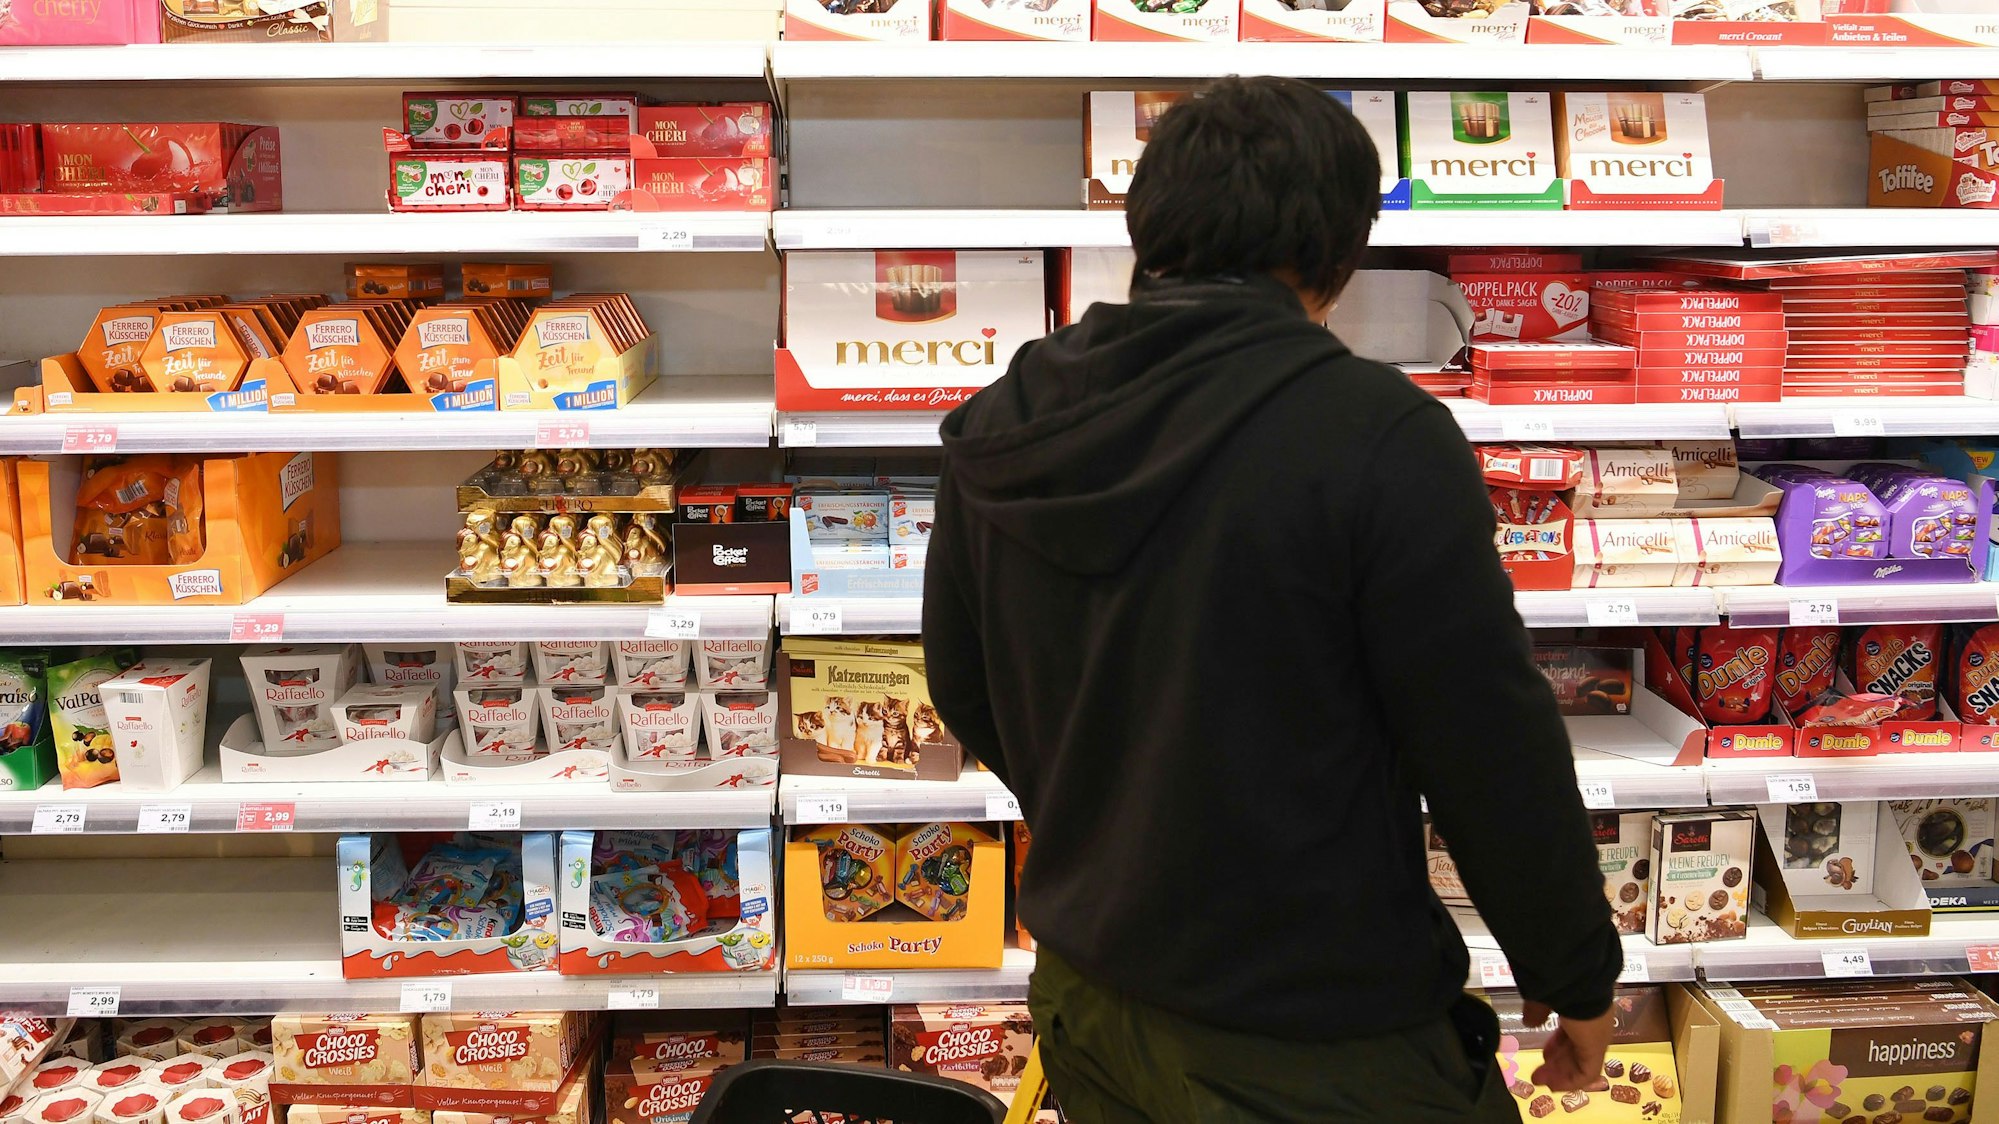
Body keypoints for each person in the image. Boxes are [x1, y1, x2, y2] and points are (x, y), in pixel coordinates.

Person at [920, 76, 1621, 1123]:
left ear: (1146, 226)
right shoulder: (1375, 434)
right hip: (1312, 1028)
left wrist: (1113, 817)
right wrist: (1573, 972)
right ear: (1339, 255)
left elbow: (961, 683)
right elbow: (1486, 742)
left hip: (1089, 995)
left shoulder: (1004, 417)